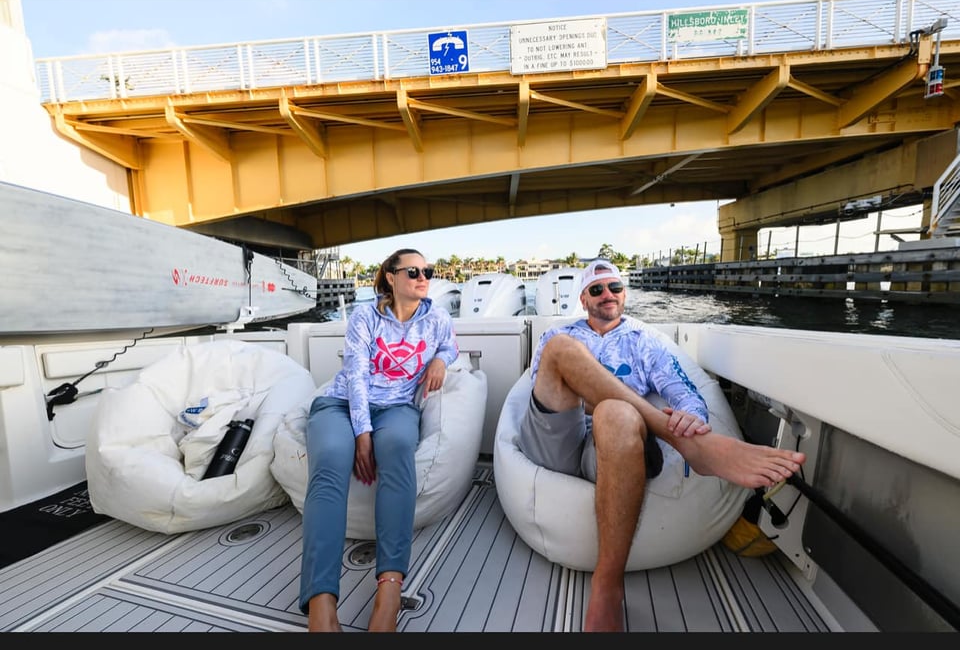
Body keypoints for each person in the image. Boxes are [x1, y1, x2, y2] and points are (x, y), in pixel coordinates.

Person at [518, 259, 807, 632]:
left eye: (615, 288)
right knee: (562, 350)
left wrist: (692, 422)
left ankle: (607, 588)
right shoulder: (562, 334)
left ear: (625, 295)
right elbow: (541, 387)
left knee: (617, 413)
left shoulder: (645, 341)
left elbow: (684, 392)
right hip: (557, 436)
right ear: (584, 299)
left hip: (614, 445)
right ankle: (686, 446)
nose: (608, 295)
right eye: (597, 289)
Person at [299, 248, 459, 632]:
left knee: (400, 450)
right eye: (414, 271)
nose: (423, 277)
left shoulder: (436, 317)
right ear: (391, 277)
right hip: (341, 404)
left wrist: (441, 359)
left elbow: (450, 345)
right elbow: (354, 376)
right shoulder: (365, 316)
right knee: (331, 461)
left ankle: (389, 590)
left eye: (428, 271)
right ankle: (321, 604)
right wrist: (362, 433)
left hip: (397, 408)